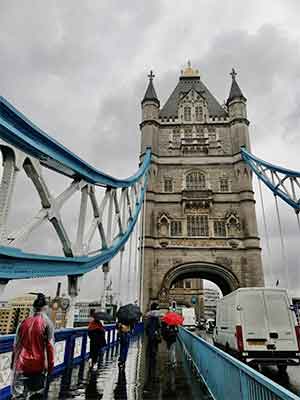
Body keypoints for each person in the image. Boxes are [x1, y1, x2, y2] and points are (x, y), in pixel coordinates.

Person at [11, 293, 54, 400]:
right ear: (45, 308)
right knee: (35, 395)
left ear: (33, 308)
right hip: (37, 366)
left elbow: (16, 345)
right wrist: (50, 367)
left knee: (18, 396)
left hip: (21, 364)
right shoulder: (47, 323)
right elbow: (50, 347)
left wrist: (13, 362)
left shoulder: (23, 322)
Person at [145, 303, 161, 370]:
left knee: (150, 345)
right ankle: (153, 358)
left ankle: (150, 357)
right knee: (155, 346)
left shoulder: (149, 318)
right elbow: (159, 326)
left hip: (150, 335)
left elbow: (146, 327)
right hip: (155, 335)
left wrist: (148, 333)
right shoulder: (157, 318)